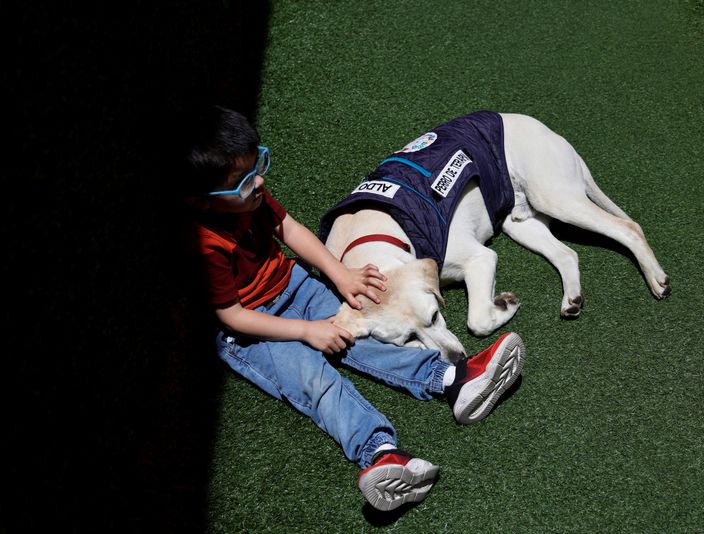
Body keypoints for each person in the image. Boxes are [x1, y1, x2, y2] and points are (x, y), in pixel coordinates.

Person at [177, 105, 526, 512]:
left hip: (295, 285)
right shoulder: (205, 244)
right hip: (249, 331)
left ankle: (455, 379)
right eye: (242, 182)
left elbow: (289, 228)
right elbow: (232, 316)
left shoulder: (251, 197)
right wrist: (306, 332)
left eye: (260, 165)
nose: (259, 182)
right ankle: (381, 455)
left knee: (362, 334)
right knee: (314, 380)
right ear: (202, 201)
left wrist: (340, 274)